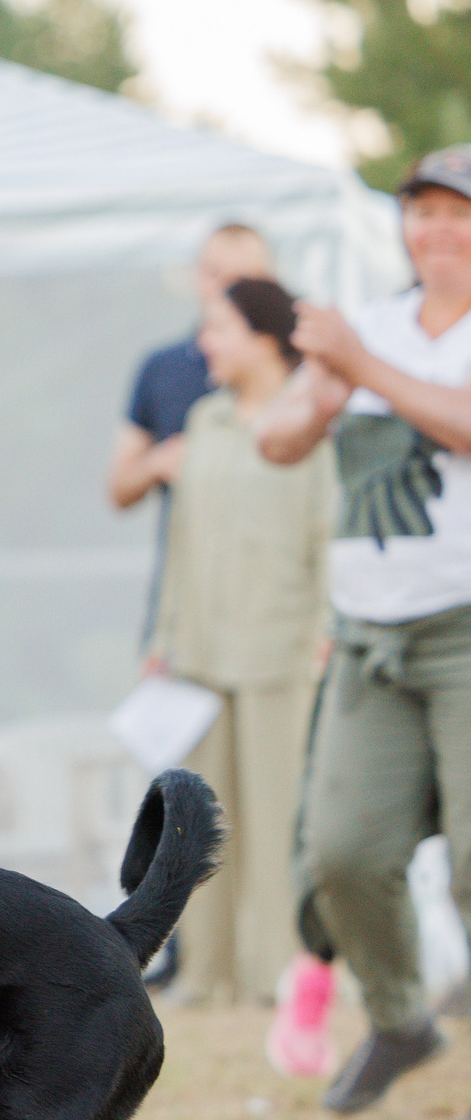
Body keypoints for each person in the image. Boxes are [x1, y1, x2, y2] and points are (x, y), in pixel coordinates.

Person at [256, 147, 471, 1120]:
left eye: (454, 212)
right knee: (339, 850)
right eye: (420, 211)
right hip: (370, 636)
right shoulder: (369, 327)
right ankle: (398, 1018)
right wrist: (325, 390)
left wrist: (361, 365)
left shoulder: (372, 342)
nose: (434, 230)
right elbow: (280, 437)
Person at [148, 279, 333, 1010]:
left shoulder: (315, 413)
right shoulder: (206, 418)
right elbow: (183, 542)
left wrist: (324, 631)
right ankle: (204, 972)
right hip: (198, 650)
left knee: (277, 816)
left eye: (217, 328)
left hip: (283, 648)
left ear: (262, 335)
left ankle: (276, 975)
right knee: (198, 821)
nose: (204, 344)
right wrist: (163, 637)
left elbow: (328, 532)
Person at [109, 224, 278, 617]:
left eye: (243, 279)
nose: (227, 290)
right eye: (215, 273)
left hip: (270, 601)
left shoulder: (301, 376)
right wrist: (160, 463)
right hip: (184, 600)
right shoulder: (163, 368)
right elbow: (118, 488)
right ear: (196, 276)